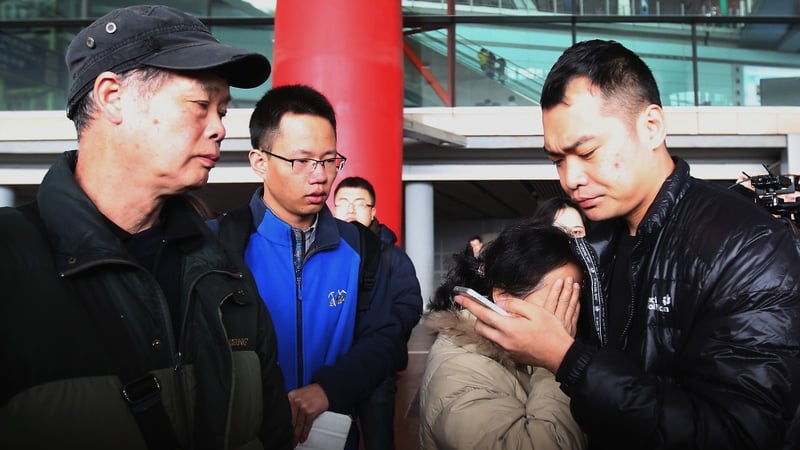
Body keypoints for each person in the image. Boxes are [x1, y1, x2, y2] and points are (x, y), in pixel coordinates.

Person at [457, 39, 800, 449]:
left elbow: (740, 434)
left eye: (587, 152)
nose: (570, 179)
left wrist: (567, 359)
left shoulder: (749, 245)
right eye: (557, 161)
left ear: (651, 126)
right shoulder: (590, 246)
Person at [0, 5, 292, 449]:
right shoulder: (11, 264)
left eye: (223, 110)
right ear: (113, 96)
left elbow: (272, 431)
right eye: (200, 105)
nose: (219, 129)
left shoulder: (224, 276)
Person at [211, 84, 405, 448]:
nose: (320, 175)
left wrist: (329, 389)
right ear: (260, 161)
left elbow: (384, 339)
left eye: (329, 160)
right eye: (301, 161)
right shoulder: (219, 246)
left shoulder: (361, 248)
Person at [420, 222, 587, 449]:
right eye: (559, 300)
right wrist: (556, 362)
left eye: (575, 298)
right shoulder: (458, 368)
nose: (568, 314)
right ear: (503, 297)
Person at [332, 176, 423, 450]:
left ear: (373, 212)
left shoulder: (392, 257)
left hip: (377, 367)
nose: (350, 210)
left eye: (359, 204)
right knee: (333, 439)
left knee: (379, 440)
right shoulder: (322, 253)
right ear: (332, 208)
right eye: (343, 203)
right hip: (333, 366)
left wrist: (377, 333)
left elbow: (409, 306)